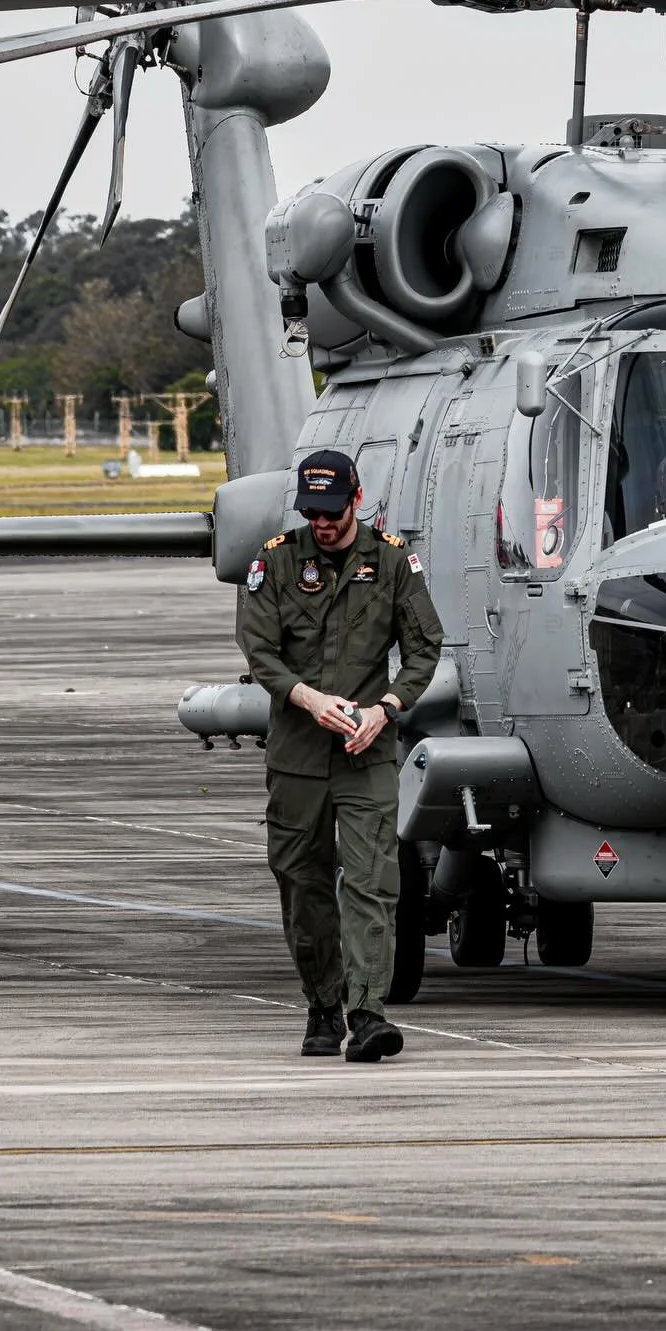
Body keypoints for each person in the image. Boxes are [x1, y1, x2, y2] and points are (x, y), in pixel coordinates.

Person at [239, 449, 443, 1062]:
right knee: (303, 884)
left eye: (331, 512)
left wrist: (384, 708)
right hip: (299, 753)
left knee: (372, 883)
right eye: (312, 514)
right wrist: (306, 698)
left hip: (366, 751)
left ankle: (368, 1012)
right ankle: (322, 1005)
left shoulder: (392, 561)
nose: (322, 524)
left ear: (355, 500)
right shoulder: (275, 562)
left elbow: (424, 648)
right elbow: (259, 649)